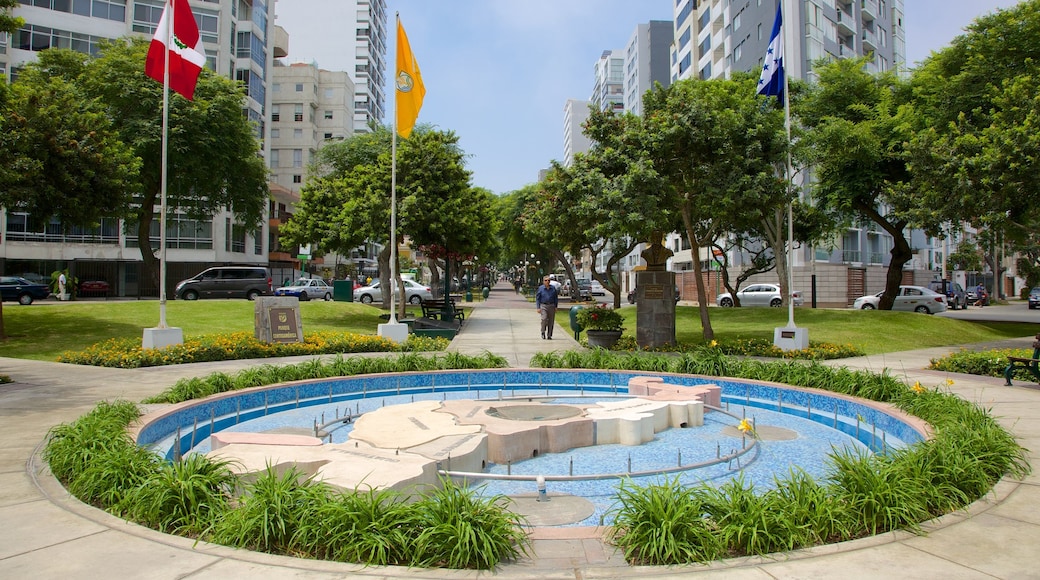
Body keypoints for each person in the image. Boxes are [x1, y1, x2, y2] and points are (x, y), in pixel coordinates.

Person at [535, 275, 559, 340]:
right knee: (544, 319)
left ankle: (549, 335)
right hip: (543, 306)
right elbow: (537, 298)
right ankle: (543, 331)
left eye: (549, 280)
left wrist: (556, 306)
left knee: (551, 321)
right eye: (546, 280)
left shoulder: (553, 288)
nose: (547, 282)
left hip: (551, 306)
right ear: (543, 281)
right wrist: (538, 307)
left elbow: (556, 298)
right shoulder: (541, 288)